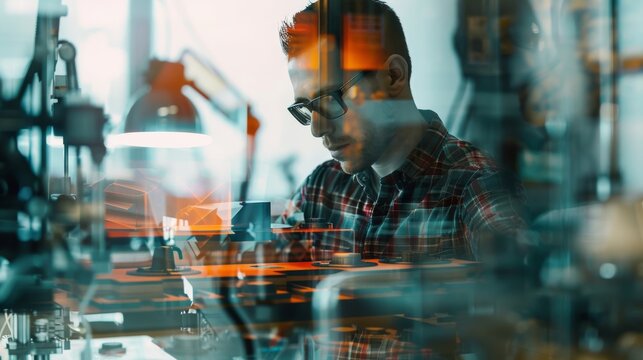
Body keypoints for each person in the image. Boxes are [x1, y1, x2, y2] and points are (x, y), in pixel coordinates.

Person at [277, 0, 525, 261]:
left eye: (329, 99)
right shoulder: (322, 188)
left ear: (393, 75)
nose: (317, 129)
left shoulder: (475, 186)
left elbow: (520, 284)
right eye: (307, 108)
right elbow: (256, 273)